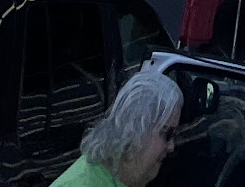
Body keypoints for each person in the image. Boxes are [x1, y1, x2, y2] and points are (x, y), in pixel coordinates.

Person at [52, 69, 183, 187]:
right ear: (136, 130)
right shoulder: (81, 183)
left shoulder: (119, 177)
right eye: (167, 134)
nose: (171, 146)